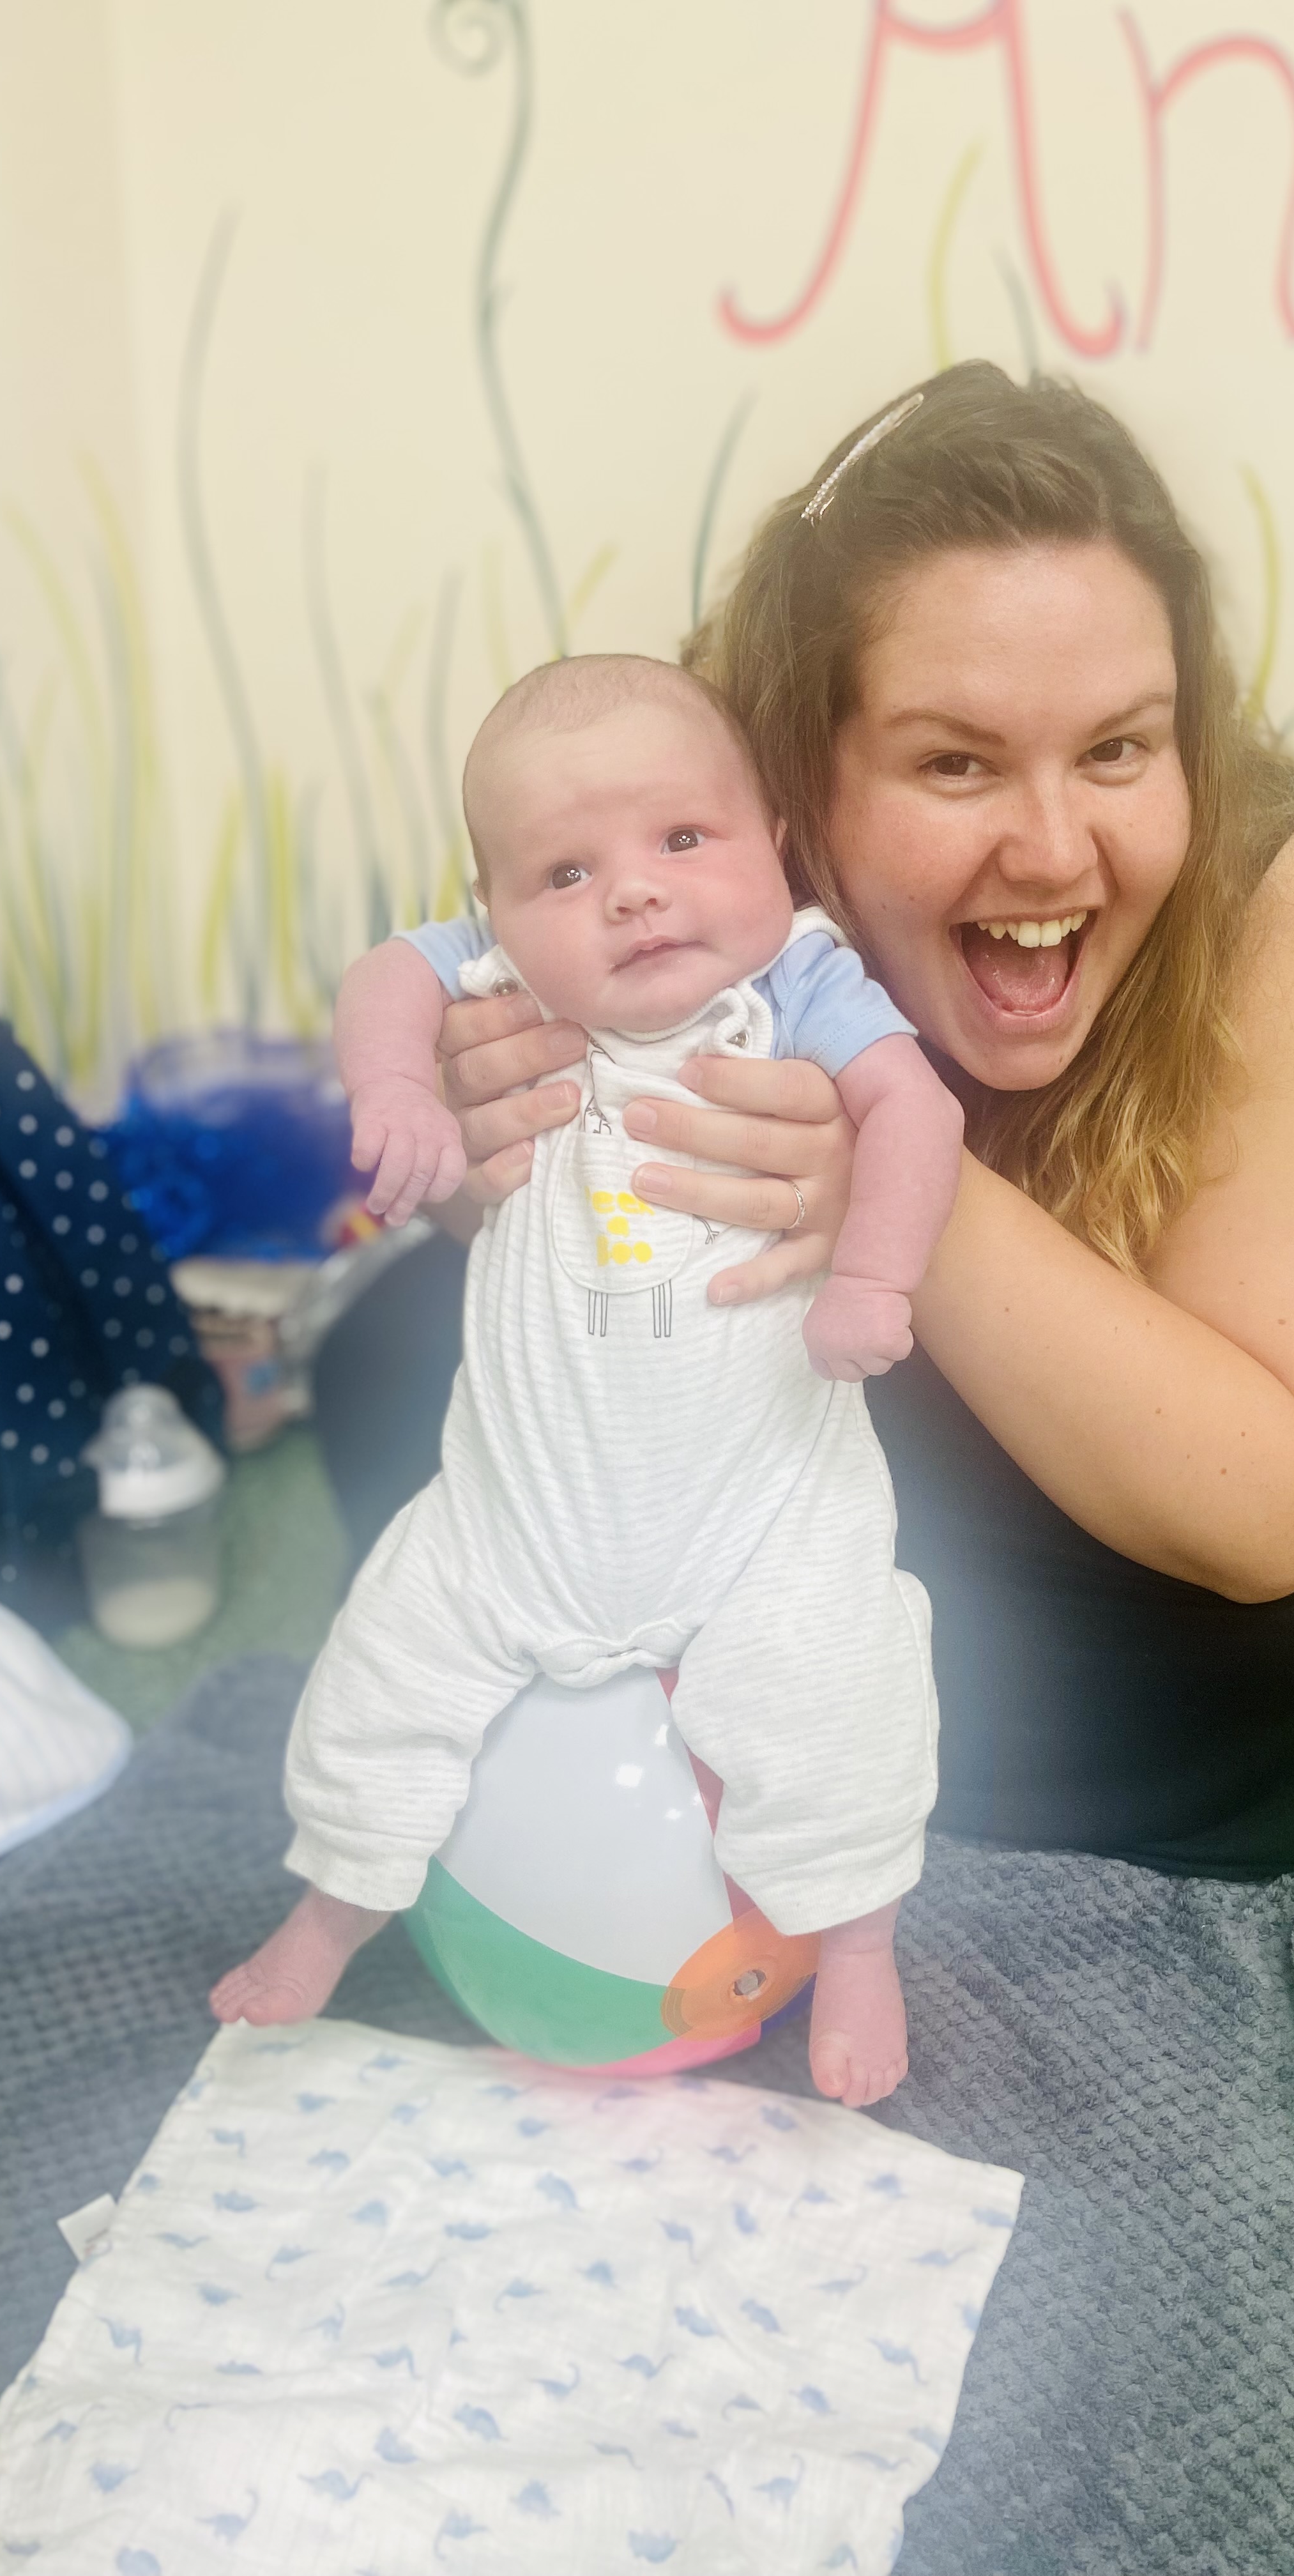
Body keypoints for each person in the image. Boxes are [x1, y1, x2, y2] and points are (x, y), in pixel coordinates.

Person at [317, 358, 1294, 1903]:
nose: (1051, 850)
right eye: (955, 762)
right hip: (756, 1393)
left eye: (1119, 748)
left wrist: (892, 1174)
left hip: (1104, 1413)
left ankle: (782, 1734)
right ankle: (780, 1719)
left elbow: (1265, 1513)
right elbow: (532, 1212)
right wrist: (481, 1145)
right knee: (390, 1367)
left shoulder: (1279, 888)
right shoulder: (686, 840)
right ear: (798, 787)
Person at [213, 654, 964, 2108]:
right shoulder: (498, 983)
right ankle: (333, 1906)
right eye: (566, 872)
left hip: (762, 1507)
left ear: (773, 847)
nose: (634, 892)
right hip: (519, 1514)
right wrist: (399, 1087)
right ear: (493, 913)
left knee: (844, 1693)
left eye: (683, 838)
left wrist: (875, 1278)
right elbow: (386, 977)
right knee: (382, 1671)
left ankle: (859, 1945)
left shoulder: (798, 985)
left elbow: (913, 1110)